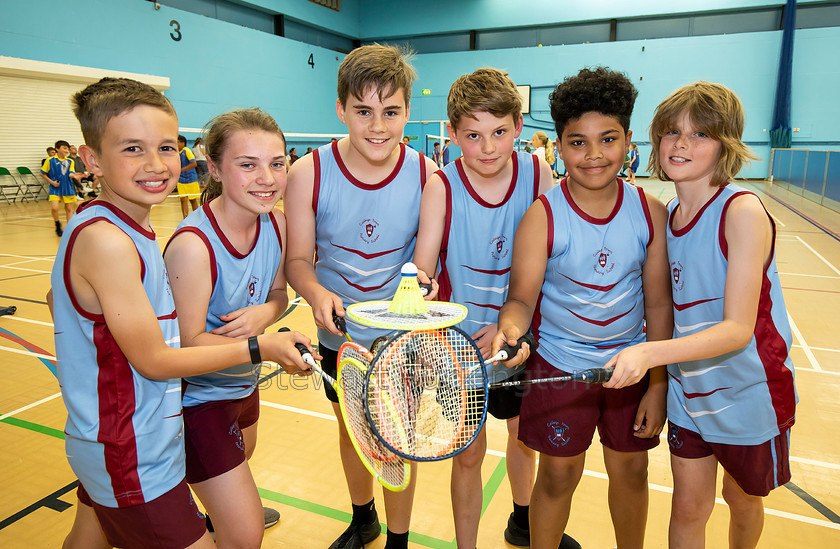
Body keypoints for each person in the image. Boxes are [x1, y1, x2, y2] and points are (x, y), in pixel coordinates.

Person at [52, 76, 314, 549]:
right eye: (133, 149)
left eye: (166, 148)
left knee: (87, 540)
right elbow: (155, 359)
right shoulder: (113, 241)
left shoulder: (126, 228)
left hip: (141, 431)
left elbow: (65, 302)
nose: (155, 165)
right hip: (130, 447)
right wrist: (261, 346)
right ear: (91, 161)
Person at [602, 81, 796, 549]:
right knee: (688, 506)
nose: (681, 144)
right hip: (691, 390)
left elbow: (736, 329)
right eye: (671, 132)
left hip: (751, 391)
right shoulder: (667, 217)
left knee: (742, 496)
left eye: (700, 134)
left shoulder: (741, 210)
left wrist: (649, 353)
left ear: (725, 145)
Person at [492, 66, 672, 549]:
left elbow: (657, 304)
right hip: (561, 368)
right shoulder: (542, 217)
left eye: (608, 139)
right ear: (558, 145)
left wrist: (657, 384)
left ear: (628, 140)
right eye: (577, 142)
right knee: (556, 478)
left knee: (632, 472)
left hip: (630, 368)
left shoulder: (650, 213)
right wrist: (509, 330)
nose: (594, 155)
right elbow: (520, 300)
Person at [285, 44, 437, 549]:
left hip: (402, 341)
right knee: (353, 434)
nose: (378, 125)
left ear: (408, 112)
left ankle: (399, 538)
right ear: (340, 109)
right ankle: (362, 518)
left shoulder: (426, 177)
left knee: (400, 442)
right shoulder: (308, 173)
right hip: (341, 336)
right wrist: (314, 292)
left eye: (391, 112)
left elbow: (426, 265)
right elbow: (298, 262)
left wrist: (426, 286)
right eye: (363, 111)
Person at [413, 67, 566, 549]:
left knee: (525, 441)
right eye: (473, 135)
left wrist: (520, 334)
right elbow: (423, 271)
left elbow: (551, 258)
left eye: (499, 132)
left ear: (519, 127)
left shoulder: (538, 174)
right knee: (468, 455)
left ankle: (523, 522)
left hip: (521, 339)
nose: (488, 147)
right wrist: (430, 312)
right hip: (461, 345)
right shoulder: (441, 185)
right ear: (454, 135)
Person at [164, 108, 290, 548]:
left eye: (277, 163)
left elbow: (279, 295)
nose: (267, 178)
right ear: (215, 168)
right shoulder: (192, 247)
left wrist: (265, 314)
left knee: (242, 464)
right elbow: (181, 347)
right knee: (246, 534)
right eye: (248, 164)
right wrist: (264, 345)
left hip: (242, 386)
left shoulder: (276, 222)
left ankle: (219, 511)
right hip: (198, 402)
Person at [40, 140, 81, 236]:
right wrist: (52, 182)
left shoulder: (70, 161)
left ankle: (69, 229)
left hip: (67, 188)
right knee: (55, 208)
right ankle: (57, 223)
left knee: (69, 209)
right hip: (55, 188)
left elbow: (71, 172)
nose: (67, 150)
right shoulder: (50, 160)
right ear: (57, 149)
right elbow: (42, 173)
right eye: (65, 148)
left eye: (68, 149)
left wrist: (74, 176)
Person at [178, 134, 200, 218]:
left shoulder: (186, 151)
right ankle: (185, 218)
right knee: (183, 200)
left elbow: (194, 164)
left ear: (183, 143)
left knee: (193, 200)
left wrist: (181, 170)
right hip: (180, 180)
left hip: (190, 179)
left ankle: (197, 217)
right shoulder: (176, 152)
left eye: (177, 142)